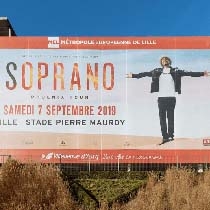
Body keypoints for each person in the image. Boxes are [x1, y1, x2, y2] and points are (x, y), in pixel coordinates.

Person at [126, 56, 208, 145]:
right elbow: (144, 74)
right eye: (163, 60)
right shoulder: (156, 71)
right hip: (161, 98)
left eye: (167, 60)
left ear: (169, 62)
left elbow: (189, 73)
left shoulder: (176, 71)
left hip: (171, 98)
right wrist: (133, 75)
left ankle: (171, 136)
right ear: (161, 63)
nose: (165, 61)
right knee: (162, 119)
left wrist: (203, 73)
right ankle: (165, 137)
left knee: (170, 117)